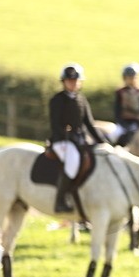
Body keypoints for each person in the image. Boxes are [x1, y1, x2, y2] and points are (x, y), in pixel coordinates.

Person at [49, 63, 102, 213]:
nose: (72, 84)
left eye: (75, 81)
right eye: (69, 81)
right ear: (64, 82)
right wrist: (69, 137)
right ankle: (60, 201)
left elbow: (89, 124)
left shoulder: (81, 99)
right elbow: (55, 124)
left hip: (80, 140)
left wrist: (103, 142)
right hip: (61, 141)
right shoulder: (57, 100)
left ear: (80, 82)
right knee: (72, 162)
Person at [113, 62, 139, 146]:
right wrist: (124, 125)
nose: (131, 79)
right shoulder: (120, 92)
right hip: (124, 123)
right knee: (114, 136)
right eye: (129, 77)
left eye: (133, 77)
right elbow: (117, 111)